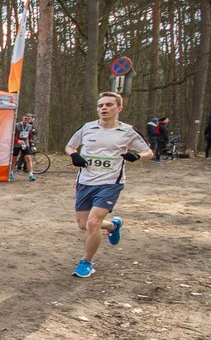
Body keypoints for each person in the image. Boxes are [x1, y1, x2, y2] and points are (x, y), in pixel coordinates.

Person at [65, 92, 152, 278]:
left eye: (108, 105)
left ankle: (86, 263)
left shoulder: (128, 131)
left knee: (92, 222)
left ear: (118, 108)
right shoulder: (87, 128)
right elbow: (70, 146)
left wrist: (137, 156)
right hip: (85, 181)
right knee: (82, 224)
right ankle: (113, 226)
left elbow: (148, 153)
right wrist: (74, 155)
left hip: (111, 183)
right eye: (100, 105)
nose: (103, 108)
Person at [12, 114, 37, 181]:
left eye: (28, 119)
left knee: (28, 158)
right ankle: (11, 171)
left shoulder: (30, 126)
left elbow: (29, 135)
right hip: (16, 144)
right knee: (14, 158)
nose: (26, 120)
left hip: (25, 144)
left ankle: (31, 174)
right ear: (22, 119)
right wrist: (17, 140)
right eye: (25, 118)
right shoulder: (17, 126)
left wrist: (30, 142)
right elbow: (11, 134)